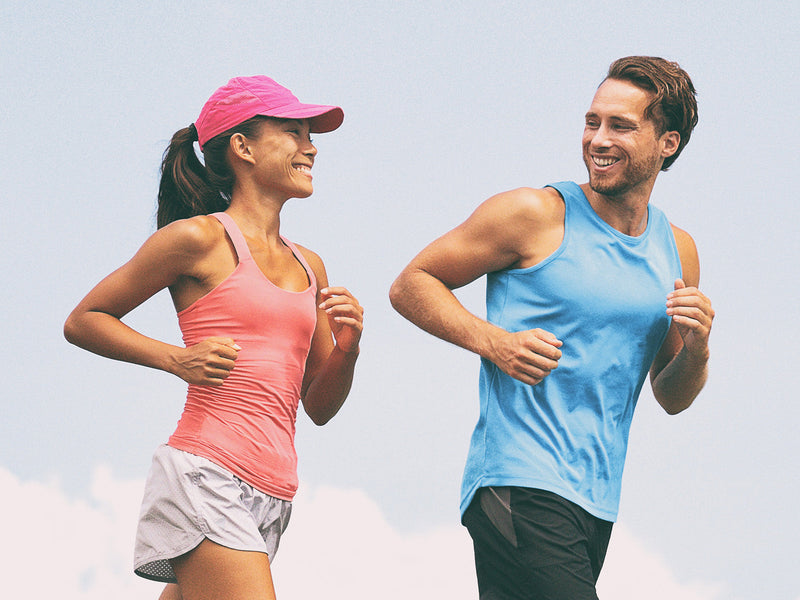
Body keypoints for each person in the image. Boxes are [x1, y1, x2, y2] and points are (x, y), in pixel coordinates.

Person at [389, 56, 714, 599]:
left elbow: (671, 395)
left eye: (621, 126)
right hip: (519, 479)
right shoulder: (534, 213)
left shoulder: (677, 251)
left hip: (597, 500)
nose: (598, 140)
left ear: (669, 143)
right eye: (592, 122)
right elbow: (412, 283)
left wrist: (699, 349)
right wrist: (494, 342)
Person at [64, 75, 363, 600]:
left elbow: (318, 406)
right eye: (293, 132)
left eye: (309, 134)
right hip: (206, 472)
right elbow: (85, 318)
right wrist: (177, 360)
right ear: (242, 147)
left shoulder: (310, 265)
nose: (310, 146)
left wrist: (348, 349)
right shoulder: (197, 239)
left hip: (274, 492)